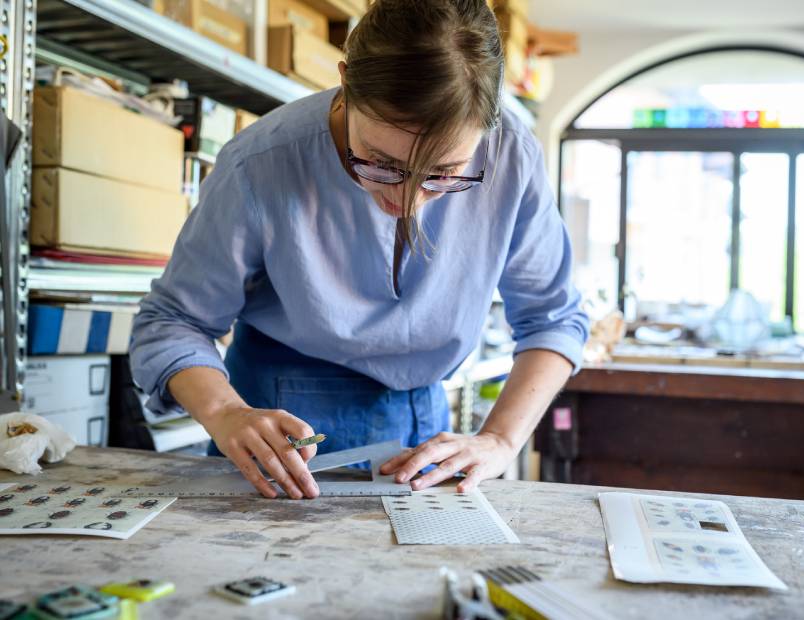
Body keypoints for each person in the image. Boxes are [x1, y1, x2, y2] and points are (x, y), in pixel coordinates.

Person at [129, 0, 589, 500]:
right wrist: (225, 413)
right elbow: (172, 322)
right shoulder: (259, 164)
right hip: (274, 432)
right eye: (380, 162)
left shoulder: (512, 157)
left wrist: (500, 439)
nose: (406, 201)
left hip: (425, 432)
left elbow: (553, 319)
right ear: (346, 83)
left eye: (444, 174)